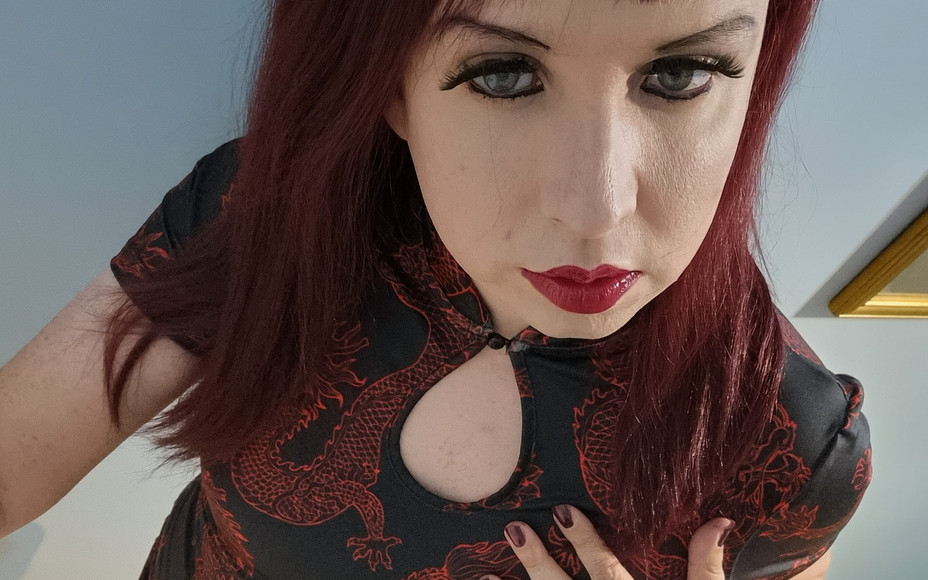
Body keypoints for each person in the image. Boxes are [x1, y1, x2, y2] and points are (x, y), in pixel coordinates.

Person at [0, 0, 872, 578]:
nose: (596, 211)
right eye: (503, 74)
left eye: (680, 74)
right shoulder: (269, 216)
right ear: (389, 85)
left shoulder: (784, 439)